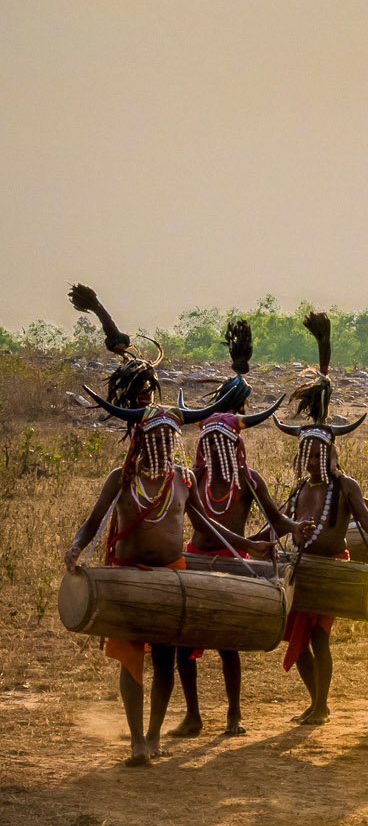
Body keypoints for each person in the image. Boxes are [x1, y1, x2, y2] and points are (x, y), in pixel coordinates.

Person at [63, 285, 265, 766]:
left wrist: (247, 548)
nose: (161, 446)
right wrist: (76, 550)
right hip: (130, 579)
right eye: (153, 437)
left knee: (166, 660)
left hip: (174, 575)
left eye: (168, 438)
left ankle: (153, 734)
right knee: (133, 662)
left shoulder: (182, 477)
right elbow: (92, 522)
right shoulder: (123, 476)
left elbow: (205, 525)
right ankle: (138, 740)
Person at [171, 317, 302, 739]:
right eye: (208, 443)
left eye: (220, 443)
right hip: (197, 558)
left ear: (233, 446)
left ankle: (233, 716)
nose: (214, 449)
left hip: (232, 566)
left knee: (228, 643)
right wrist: (254, 542)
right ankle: (193, 716)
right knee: (184, 643)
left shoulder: (249, 479)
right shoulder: (192, 481)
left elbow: (279, 523)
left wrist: (288, 531)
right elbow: (200, 523)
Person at [275, 310, 368, 726]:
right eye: (304, 452)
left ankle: (322, 705)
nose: (308, 458)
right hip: (301, 570)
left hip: (332, 572)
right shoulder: (300, 490)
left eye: (315, 452)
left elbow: (366, 522)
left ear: (328, 454)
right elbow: (280, 524)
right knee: (297, 641)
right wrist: (255, 541)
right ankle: (315, 701)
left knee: (320, 638)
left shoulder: (345, 487)